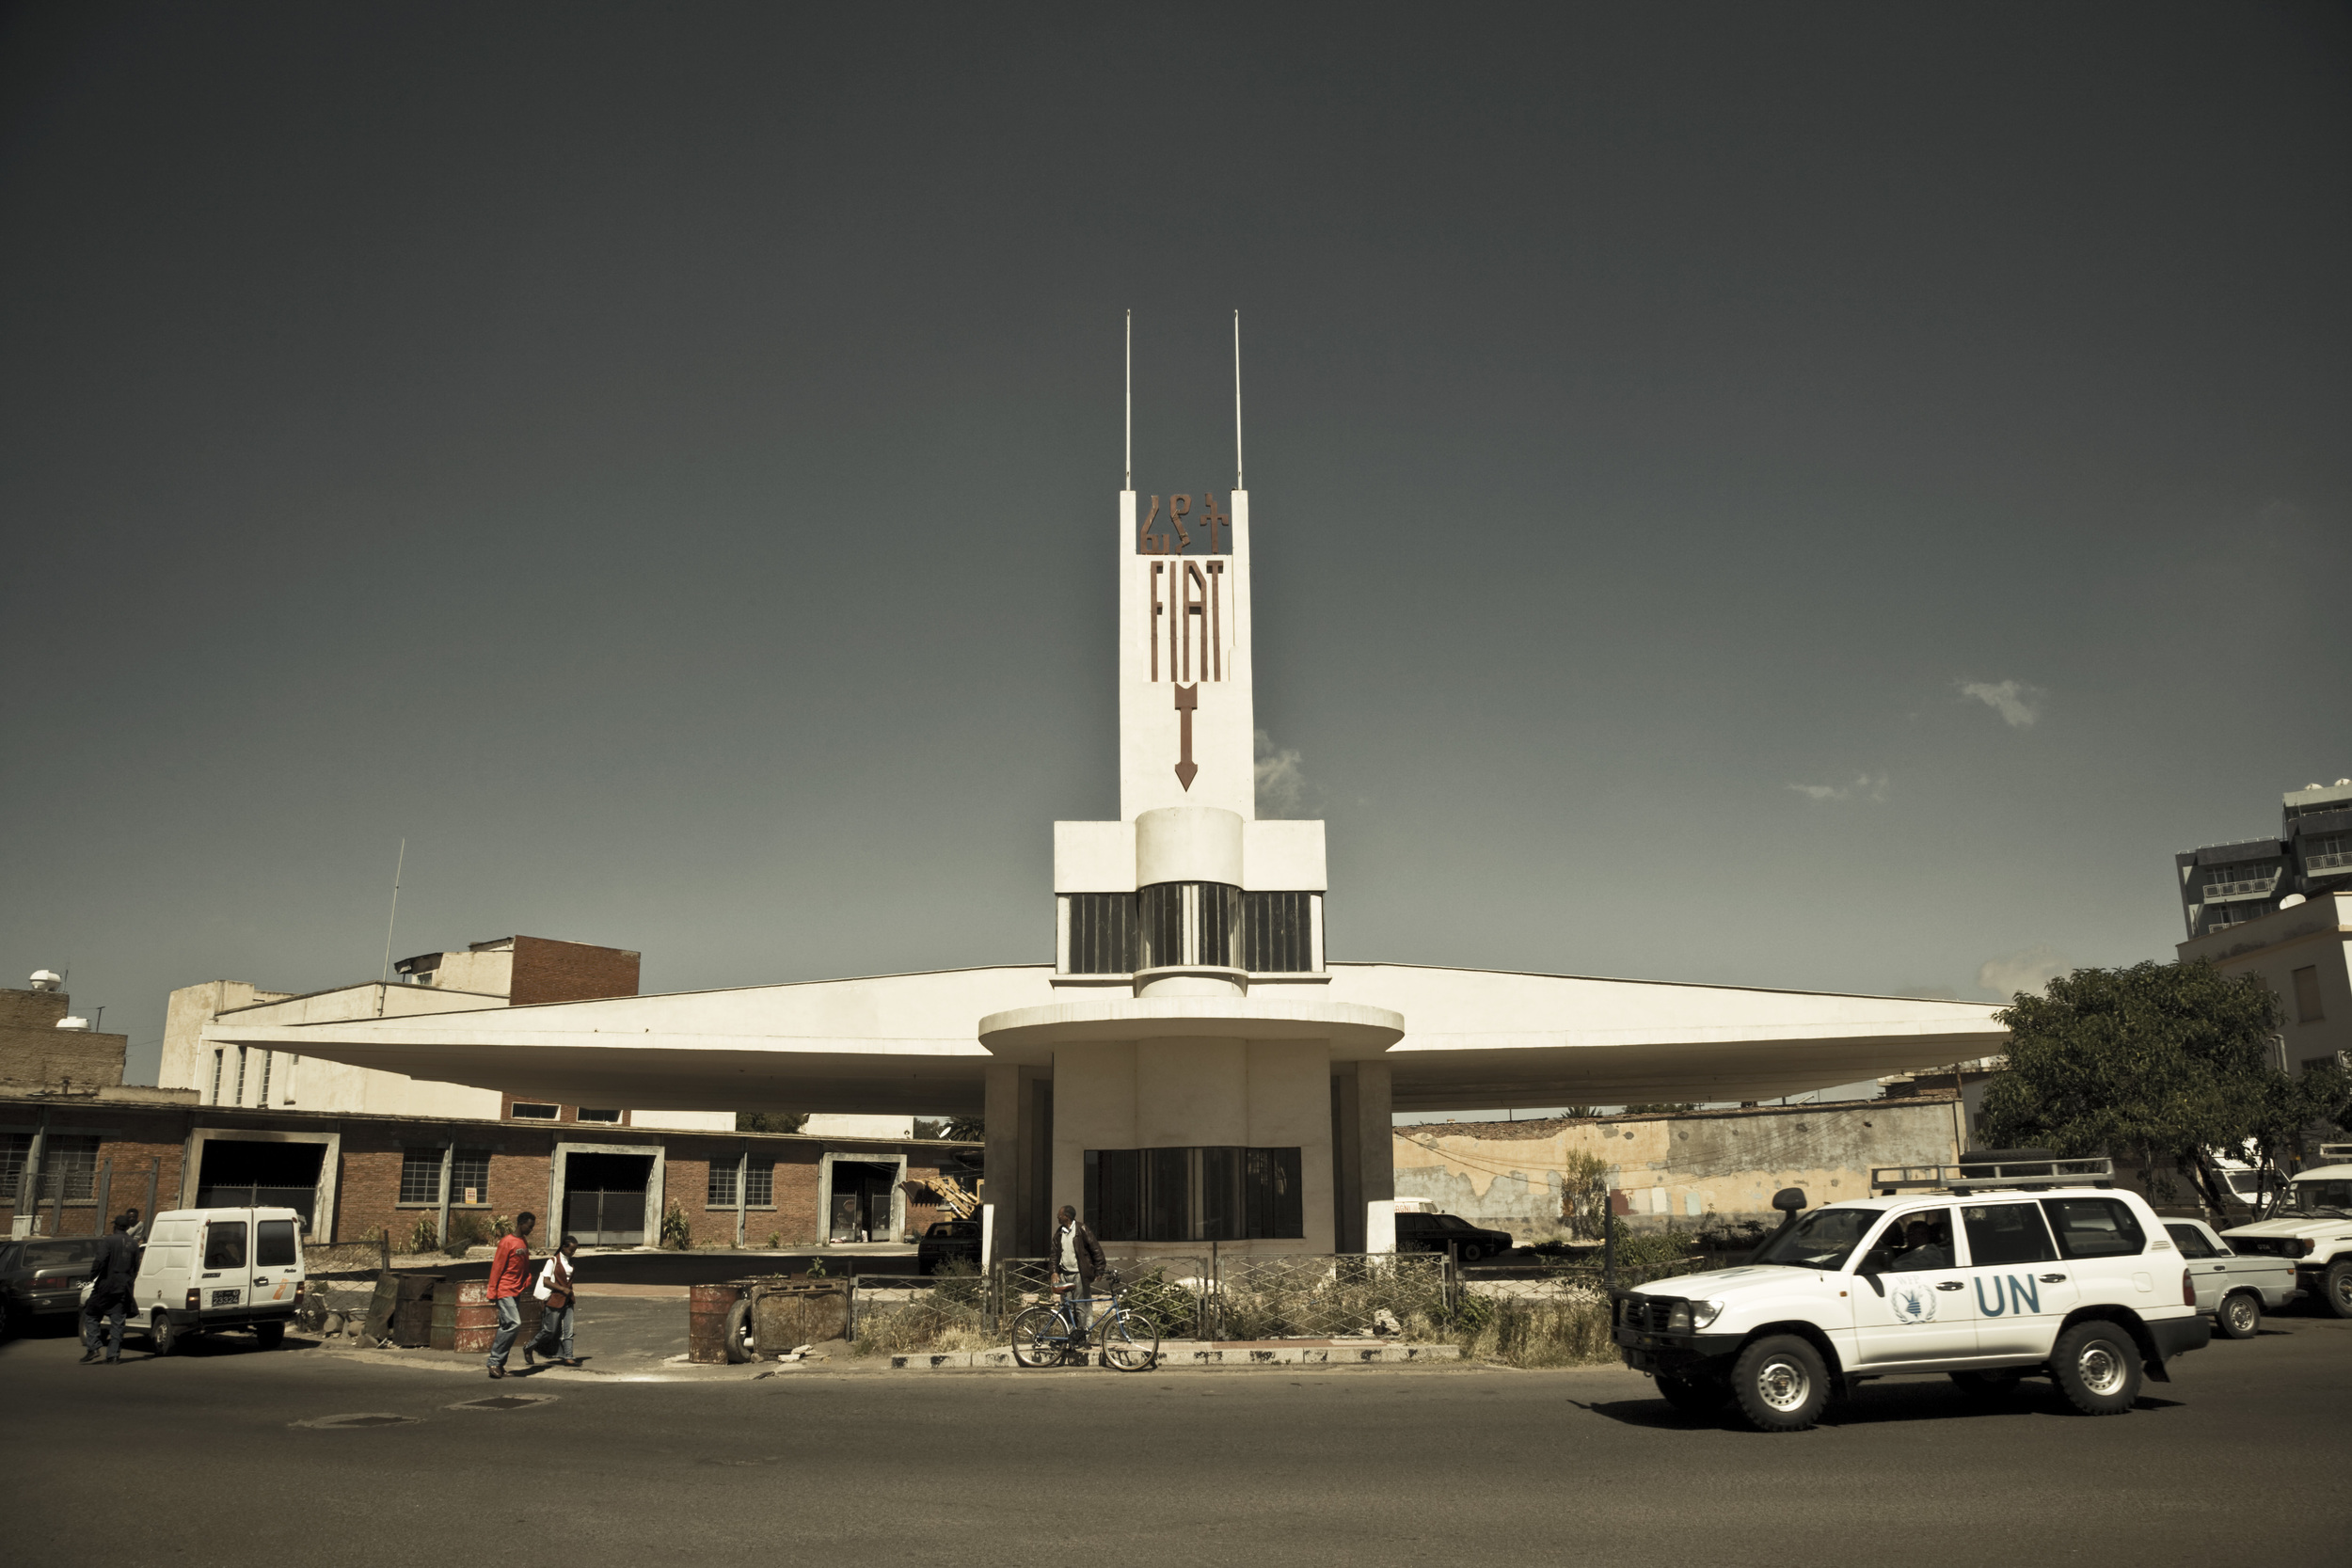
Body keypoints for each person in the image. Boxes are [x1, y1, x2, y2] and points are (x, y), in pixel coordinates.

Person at [81, 1212, 140, 1364]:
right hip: (123, 1286)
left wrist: (92, 1275)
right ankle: (113, 1355)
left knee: (91, 1314)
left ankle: (93, 1347)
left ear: (115, 1226)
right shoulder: (133, 1244)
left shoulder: (108, 1241)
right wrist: (128, 1281)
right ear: (127, 1227)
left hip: (106, 1284)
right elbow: (135, 1267)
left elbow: (100, 1260)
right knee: (118, 1321)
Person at [485, 1211, 536, 1379]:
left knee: (507, 1326)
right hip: (504, 1289)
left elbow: (525, 1263)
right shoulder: (507, 1242)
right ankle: (494, 1361)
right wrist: (492, 1291)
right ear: (521, 1223)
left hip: (516, 1290)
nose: (531, 1230)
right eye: (529, 1226)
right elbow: (497, 1268)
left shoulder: (523, 1242)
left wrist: (527, 1278)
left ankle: (499, 1365)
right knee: (514, 1323)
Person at [523, 1234, 580, 1370]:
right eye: (571, 1250)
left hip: (568, 1300)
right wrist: (562, 1289)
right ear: (563, 1247)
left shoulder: (570, 1262)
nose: (572, 1253)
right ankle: (529, 1347)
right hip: (554, 1300)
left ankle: (569, 1357)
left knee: (569, 1330)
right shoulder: (552, 1261)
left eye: (574, 1251)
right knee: (549, 1330)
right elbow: (546, 1281)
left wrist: (568, 1292)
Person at [1050, 1204, 1105, 1331]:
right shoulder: (1059, 1233)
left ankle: (1083, 1335)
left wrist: (1099, 1269)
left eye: (1060, 1215)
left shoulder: (1082, 1229)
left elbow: (1096, 1250)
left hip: (1079, 1275)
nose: (1057, 1217)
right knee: (1067, 1307)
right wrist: (1054, 1272)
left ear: (1067, 1217)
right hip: (1064, 1275)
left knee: (1081, 1307)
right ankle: (1070, 1335)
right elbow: (1053, 1254)